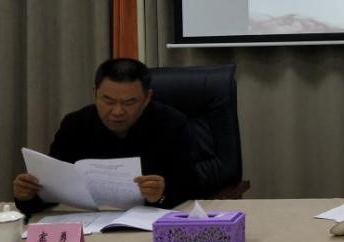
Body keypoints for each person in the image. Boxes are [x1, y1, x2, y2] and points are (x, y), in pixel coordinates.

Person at [12, 57, 202, 215]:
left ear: (146, 99)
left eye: (129, 102)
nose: (117, 111)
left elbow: (191, 186)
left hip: (148, 222)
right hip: (87, 222)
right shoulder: (75, 125)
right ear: (95, 94)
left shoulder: (172, 124)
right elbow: (52, 189)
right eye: (108, 100)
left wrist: (161, 194)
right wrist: (27, 196)